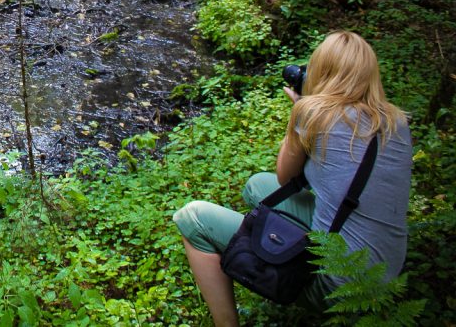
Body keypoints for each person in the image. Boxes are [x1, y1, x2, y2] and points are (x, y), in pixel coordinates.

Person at [173, 31, 413, 327]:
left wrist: (301, 107)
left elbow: (287, 174)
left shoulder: (313, 112)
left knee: (191, 218)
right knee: (258, 187)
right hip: (388, 277)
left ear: (322, 70)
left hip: (340, 286)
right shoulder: (397, 122)